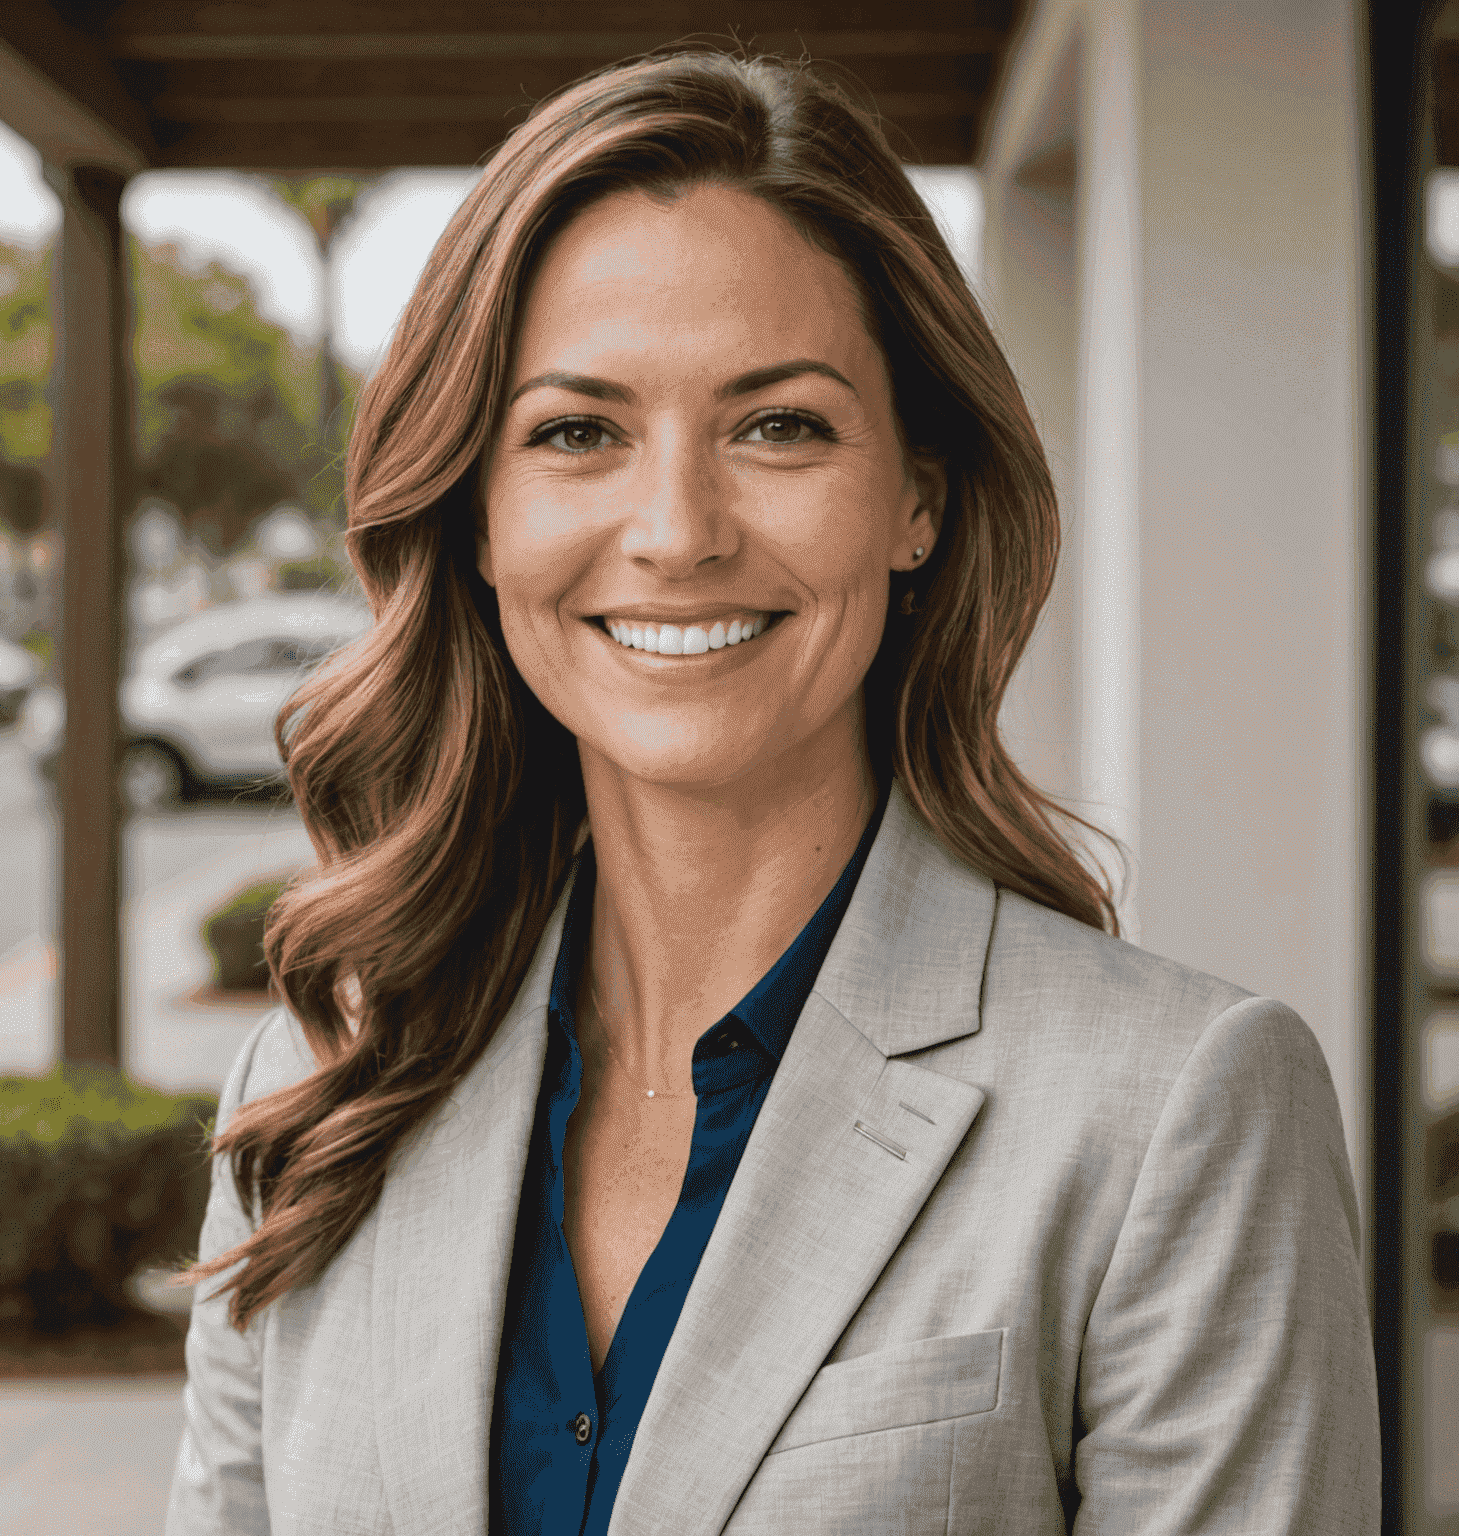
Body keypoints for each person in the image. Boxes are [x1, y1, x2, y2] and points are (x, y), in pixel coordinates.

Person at [166, 48, 1379, 1536]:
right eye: (577, 432)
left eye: (779, 425)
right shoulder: (316, 1091)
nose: (676, 531)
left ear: (917, 498)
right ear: (480, 516)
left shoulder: (1177, 1112)